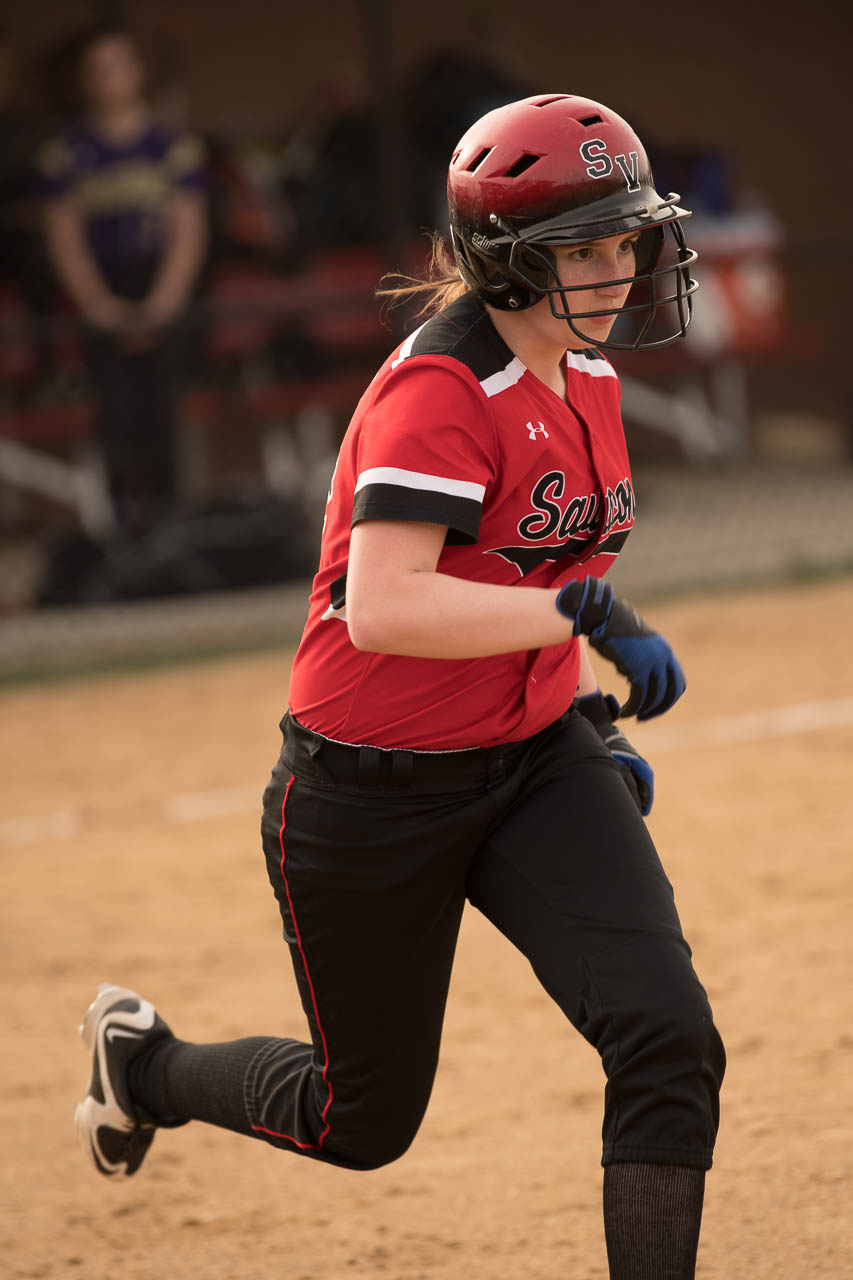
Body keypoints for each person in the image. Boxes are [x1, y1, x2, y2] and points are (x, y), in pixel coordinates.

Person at [75, 94, 725, 1280]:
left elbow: (533, 569)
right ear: (510, 260)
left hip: (530, 760)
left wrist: (574, 708)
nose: (620, 268)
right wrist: (587, 618)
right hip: (368, 794)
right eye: (585, 246)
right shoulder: (437, 391)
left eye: (626, 238)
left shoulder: (587, 376)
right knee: (359, 1119)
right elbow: (388, 603)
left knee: (668, 1035)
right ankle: (148, 1067)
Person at [36, 23, 207, 527]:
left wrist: (165, 300)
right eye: (98, 69)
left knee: (164, 412)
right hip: (101, 296)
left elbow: (188, 227)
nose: (110, 77)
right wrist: (97, 305)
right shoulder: (65, 154)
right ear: (84, 80)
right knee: (114, 414)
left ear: (139, 72)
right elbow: (62, 235)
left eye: (119, 64)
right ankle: (123, 533)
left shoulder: (172, 145)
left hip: (163, 291)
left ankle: (172, 526)